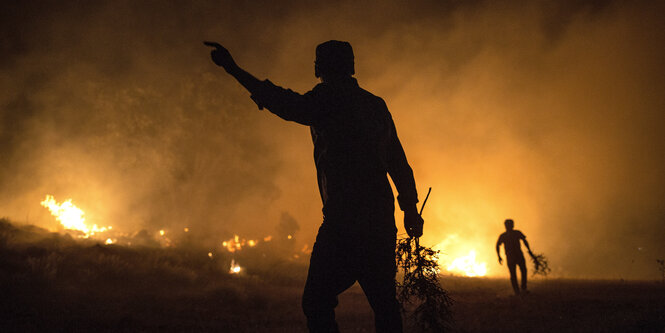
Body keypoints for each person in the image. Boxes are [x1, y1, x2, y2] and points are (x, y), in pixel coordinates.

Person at [205, 40, 423, 332]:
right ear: (352, 67)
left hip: (343, 223)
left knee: (317, 301)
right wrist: (410, 209)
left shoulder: (326, 99)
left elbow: (283, 102)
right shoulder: (375, 105)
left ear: (319, 68)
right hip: (379, 222)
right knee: (384, 305)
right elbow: (398, 162)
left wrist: (233, 69)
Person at [496, 218, 535, 295]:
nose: (509, 226)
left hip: (514, 255)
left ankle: (519, 290)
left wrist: (499, 256)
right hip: (515, 255)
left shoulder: (506, 235)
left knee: (518, 272)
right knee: (520, 271)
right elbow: (497, 245)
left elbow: (497, 245)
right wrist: (499, 256)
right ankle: (520, 289)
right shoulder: (514, 233)